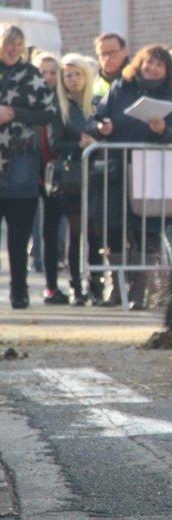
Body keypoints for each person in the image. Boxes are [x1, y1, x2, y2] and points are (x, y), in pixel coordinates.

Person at [91, 44, 172, 310]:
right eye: (148, 62)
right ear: (139, 63)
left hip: (150, 172)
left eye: (158, 64)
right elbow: (96, 118)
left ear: (166, 71)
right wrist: (102, 127)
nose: (152, 68)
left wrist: (162, 129)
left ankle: (140, 291)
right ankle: (116, 288)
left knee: (146, 232)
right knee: (114, 229)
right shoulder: (120, 89)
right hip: (117, 170)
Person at [0, 24, 57, 308]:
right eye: (8, 43)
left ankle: (19, 290)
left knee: (19, 233)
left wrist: (14, 113)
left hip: (21, 160)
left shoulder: (31, 76)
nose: (13, 49)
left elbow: (48, 112)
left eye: (18, 44)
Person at [52, 54, 96, 305]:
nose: (73, 79)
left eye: (77, 73)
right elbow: (56, 143)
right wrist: (79, 145)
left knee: (95, 233)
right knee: (76, 233)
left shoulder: (95, 105)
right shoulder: (61, 108)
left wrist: (98, 142)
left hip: (95, 175)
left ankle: (96, 286)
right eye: (68, 74)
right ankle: (76, 286)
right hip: (72, 178)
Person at [32, 50, 70, 303]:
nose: (47, 77)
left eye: (53, 72)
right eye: (42, 72)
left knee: (52, 229)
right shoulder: (29, 100)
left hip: (54, 175)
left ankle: (52, 286)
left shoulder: (62, 102)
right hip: (31, 172)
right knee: (32, 230)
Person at [93, 32, 129, 100]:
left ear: (125, 51)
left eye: (112, 52)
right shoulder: (94, 86)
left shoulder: (138, 80)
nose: (107, 58)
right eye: (103, 54)